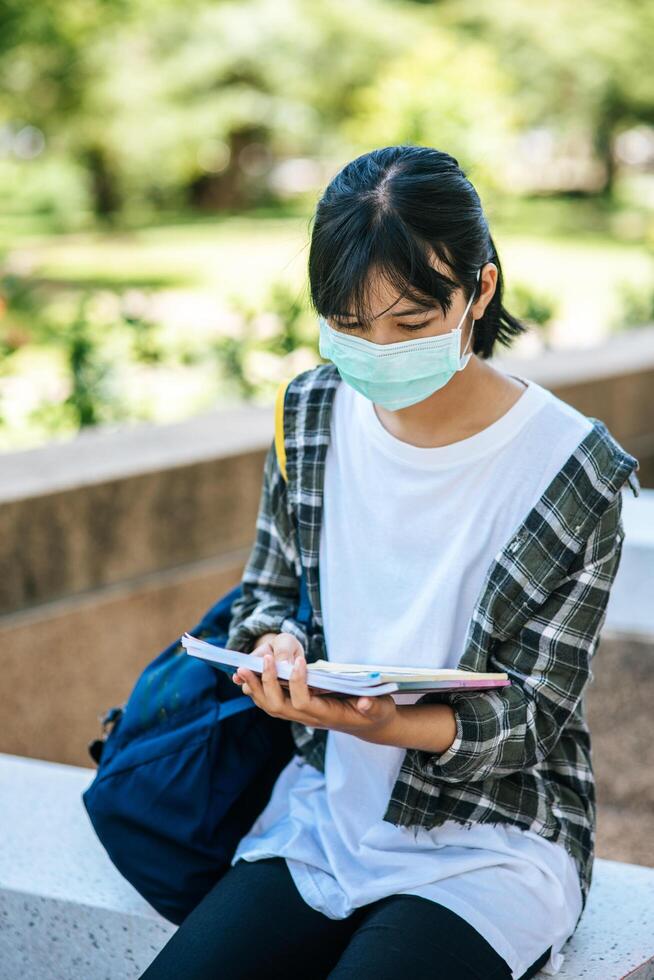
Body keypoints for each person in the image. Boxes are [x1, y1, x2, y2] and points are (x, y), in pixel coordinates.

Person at [139, 145, 639, 980]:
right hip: (324, 810)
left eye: (410, 324)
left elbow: (533, 716)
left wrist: (385, 722)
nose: (375, 352)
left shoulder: (574, 473)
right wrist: (274, 650)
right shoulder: (310, 410)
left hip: (491, 837)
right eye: (345, 324)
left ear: (480, 288)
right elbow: (267, 592)